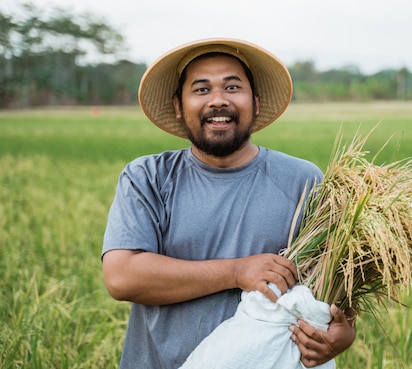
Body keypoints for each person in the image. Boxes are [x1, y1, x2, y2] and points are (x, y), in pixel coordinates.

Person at [102, 38, 356, 368]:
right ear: (179, 106)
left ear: (256, 102)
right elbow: (122, 277)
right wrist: (238, 271)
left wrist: (343, 332)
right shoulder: (147, 177)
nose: (218, 101)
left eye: (232, 87)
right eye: (202, 89)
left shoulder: (303, 181)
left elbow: (337, 282)